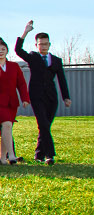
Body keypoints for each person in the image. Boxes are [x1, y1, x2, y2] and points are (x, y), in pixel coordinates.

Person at [15, 21, 73, 165]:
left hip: (52, 97)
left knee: (45, 125)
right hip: (36, 96)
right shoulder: (33, 57)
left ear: (49, 44)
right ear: (36, 45)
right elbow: (18, 50)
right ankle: (49, 155)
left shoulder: (56, 60)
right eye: (41, 44)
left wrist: (66, 97)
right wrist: (25, 32)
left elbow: (62, 79)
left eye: (46, 44)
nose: (43, 46)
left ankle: (39, 154)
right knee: (43, 124)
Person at [0, 38, 30, 165]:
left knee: (6, 129)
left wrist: (25, 98)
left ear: (7, 51)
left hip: (12, 102)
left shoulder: (14, 66)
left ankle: (3, 158)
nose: (0, 51)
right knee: (7, 125)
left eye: (3, 49)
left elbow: (21, 83)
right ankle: (12, 155)